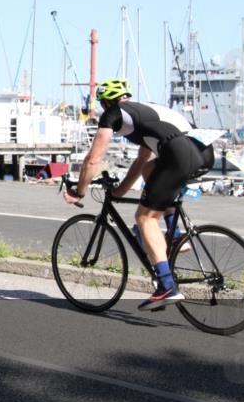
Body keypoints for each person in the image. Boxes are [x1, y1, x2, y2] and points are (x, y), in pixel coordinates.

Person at [63, 78, 214, 310]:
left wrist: (79, 191)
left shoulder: (113, 114)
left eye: (104, 104)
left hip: (180, 155)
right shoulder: (145, 112)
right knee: (150, 170)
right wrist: (120, 191)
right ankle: (175, 235)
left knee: (145, 218)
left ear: (106, 102)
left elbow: (93, 159)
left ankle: (166, 286)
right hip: (204, 153)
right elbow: (142, 160)